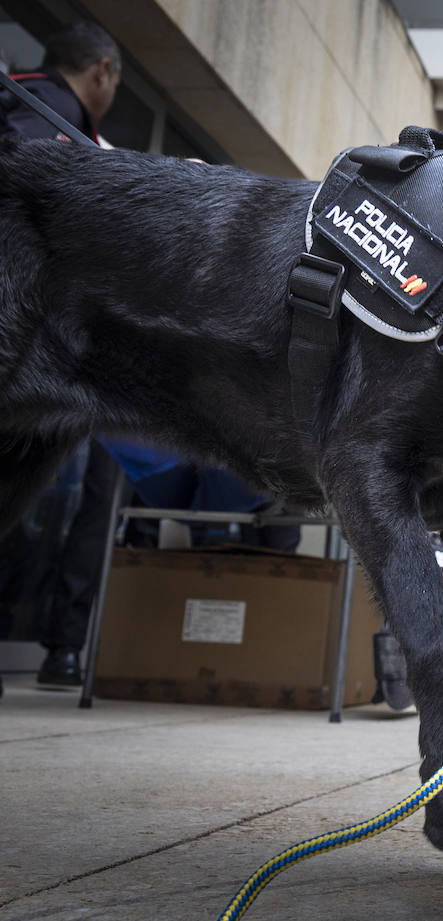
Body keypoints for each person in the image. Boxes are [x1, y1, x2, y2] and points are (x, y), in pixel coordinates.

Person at [0, 22, 121, 691]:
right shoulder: (67, 140)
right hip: (45, 356)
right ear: (101, 73)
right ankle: (62, 647)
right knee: (82, 494)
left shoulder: (16, 103)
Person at [0, 20, 121, 143]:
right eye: (115, 85)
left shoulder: (30, 88)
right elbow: (19, 157)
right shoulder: (59, 105)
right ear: (102, 71)